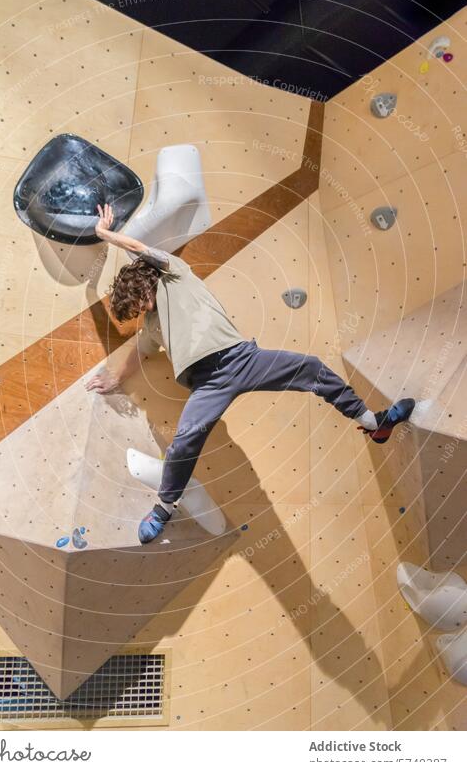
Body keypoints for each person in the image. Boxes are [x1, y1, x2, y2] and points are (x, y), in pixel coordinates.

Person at [87, 204, 415, 543]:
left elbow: (137, 249)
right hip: (208, 384)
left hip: (242, 358)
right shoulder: (152, 328)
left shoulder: (174, 274)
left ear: (143, 284)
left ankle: (376, 423)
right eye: (139, 311)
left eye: (141, 302)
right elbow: (138, 356)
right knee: (185, 439)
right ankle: (165, 507)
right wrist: (115, 378)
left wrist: (104, 234)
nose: (145, 310)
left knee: (312, 369)